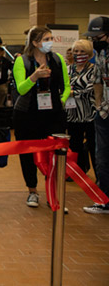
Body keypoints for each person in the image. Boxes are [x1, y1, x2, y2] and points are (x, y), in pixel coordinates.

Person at [13, 26, 70, 208]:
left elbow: (67, 85)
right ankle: (32, 191)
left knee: (54, 154)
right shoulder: (22, 61)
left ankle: (53, 192)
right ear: (35, 43)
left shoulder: (57, 59)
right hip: (27, 114)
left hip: (53, 114)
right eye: (46, 39)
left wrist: (60, 100)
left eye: (51, 38)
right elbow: (21, 89)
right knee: (27, 154)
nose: (50, 42)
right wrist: (35, 76)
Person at [83, 16, 109, 214]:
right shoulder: (100, 53)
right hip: (104, 114)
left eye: (98, 36)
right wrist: (99, 104)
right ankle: (104, 200)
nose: (95, 40)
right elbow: (98, 80)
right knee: (101, 158)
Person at [65, 40, 97, 176]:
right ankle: (76, 173)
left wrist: (71, 92)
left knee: (94, 147)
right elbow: (63, 87)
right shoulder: (67, 69)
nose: (78, 54)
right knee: (74, 146)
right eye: (76, 51)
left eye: (82, 51)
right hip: (72, 115)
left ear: (89, 53)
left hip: (90, 114)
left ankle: (99, 175)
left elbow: (90, 90)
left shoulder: (94, 69)